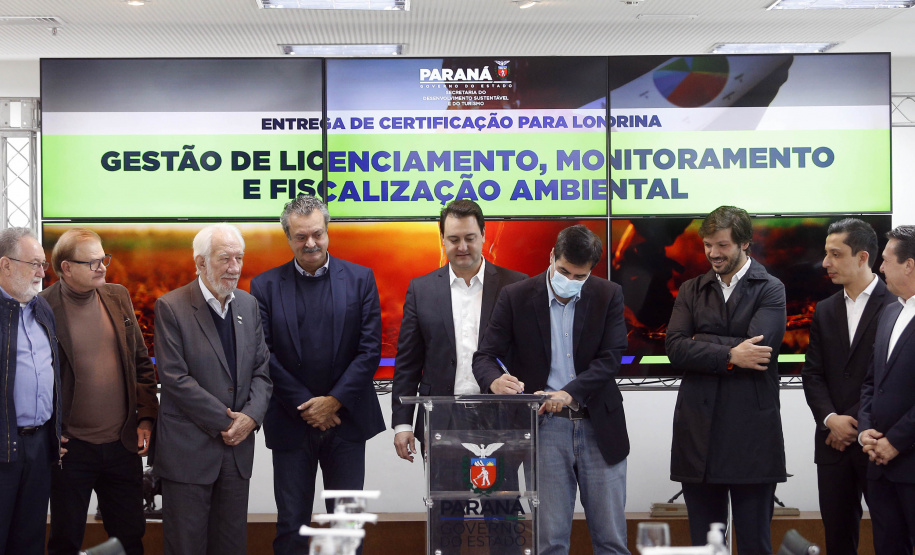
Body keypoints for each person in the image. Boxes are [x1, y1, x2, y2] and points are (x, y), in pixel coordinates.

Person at [473, 224, 630, 555]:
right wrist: (494, 380)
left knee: (611, 541)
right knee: (550, 541)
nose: (570, 282)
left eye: (579, 276)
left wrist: (570, 391)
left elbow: (611, 358)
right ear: (551, 257)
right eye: (563, 271)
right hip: (543, 429)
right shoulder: (516, 296)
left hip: (599, 426)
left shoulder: (608, 294)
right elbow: (484, 357)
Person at [250, 195, 384, 555]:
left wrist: (334, 401)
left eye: (317, 234)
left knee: (346, 526)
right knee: (291, 525)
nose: (310, 243)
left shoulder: (360, 279)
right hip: (292, 422)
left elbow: (370, 350)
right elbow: (264, 354)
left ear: (327, 232)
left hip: (349, 421)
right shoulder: (264, 286)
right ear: (288, 237)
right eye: (300, 236)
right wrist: (309, 406)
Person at [665, 205, 787, 554]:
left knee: (754, 545)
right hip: (698, 436)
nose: (713, 254)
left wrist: (700, 341)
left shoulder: (771, 287)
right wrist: (732, 354)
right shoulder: (691, 289)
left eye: (722, 246)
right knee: (706, 546)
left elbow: (762, 348)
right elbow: (674, 347)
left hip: (752, 438)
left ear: (745, 243)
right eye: (707, 245)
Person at [153, 223, 272, 555]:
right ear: (200, 262)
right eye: (224, 258)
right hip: (188, 454)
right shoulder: (171, 307)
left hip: (235, 456)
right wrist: (229, 423)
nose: (234, 267)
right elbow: (175, 380)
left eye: (239, 258)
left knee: (231, 546)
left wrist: (250, 418)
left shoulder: (248, 306)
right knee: (186, 547)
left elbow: (262, 372)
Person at [41, 229, 159, 555]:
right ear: (66, 268)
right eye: (91, 262)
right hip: (71, 451)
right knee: (65, 539)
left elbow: (140, 362)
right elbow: (33, 380)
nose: (102, 267)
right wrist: (47, 433)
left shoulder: (117, 295)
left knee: (130, 538)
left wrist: (146, 419)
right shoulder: (42, 308)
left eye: (103, 258)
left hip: (121, 446)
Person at [391, 199, 526, 461]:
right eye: (454, 239)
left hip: (501, 419)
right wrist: (403, 423)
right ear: (442, 239)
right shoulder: (422, 290)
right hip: (441, 419)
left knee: (499, 501)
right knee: (444, 502)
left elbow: (528, 355)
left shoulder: (516, 285)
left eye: (470, 238)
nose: (462, 247)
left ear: (484, 236)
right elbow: (407, 363)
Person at [801, 218, 892, 555]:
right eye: (826, 254)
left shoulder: (896, 306)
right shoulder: (824, 310)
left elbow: (891, 380)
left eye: (835, 254)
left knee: (890, 535)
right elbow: (812, 374)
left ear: (862, 257)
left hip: (878, 442)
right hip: (831, 443)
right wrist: (830, 420)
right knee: (838, 539)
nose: (826, 263)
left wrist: (851, 423)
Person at [0, 227, 62, 555]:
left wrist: (56, 431)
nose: (41, 273)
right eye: (34, 264)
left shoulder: (42, 310)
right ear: (5, 265)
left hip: (39, 448)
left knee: (29, 541)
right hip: (2, 450)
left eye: (43, 264)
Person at [858, 224, 915, 555]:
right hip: (879, 467)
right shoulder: (890, 311)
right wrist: (866, 431)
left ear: (909, 265)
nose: (880, 268)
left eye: (886, 260)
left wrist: (895, 441)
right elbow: (871, 383)